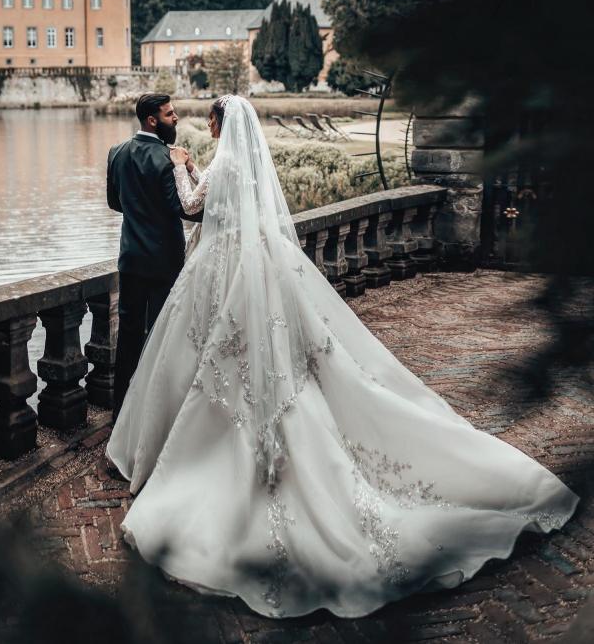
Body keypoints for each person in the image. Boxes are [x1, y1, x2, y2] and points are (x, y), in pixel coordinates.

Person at [107, 94, 578, 619]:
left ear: (222, 125)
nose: (204, 126)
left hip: (218, 267)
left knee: (212, 352)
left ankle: (211, 449)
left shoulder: (215, 164)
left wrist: (184, 169)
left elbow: (192, 207)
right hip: (261, 262)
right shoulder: (249, 164)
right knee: (285, 354)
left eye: (211, 121)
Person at [106, 92, 202, 420]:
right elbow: (186, 211)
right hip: (165, 263)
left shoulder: (116, 153)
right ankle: (156, 415)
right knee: (162, 337)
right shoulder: (167, 159)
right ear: (152, 120)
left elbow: (115, 203)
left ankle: (122, 413)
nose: (175, 118)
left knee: (128, 338)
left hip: (131, 259)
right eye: (169, 114)